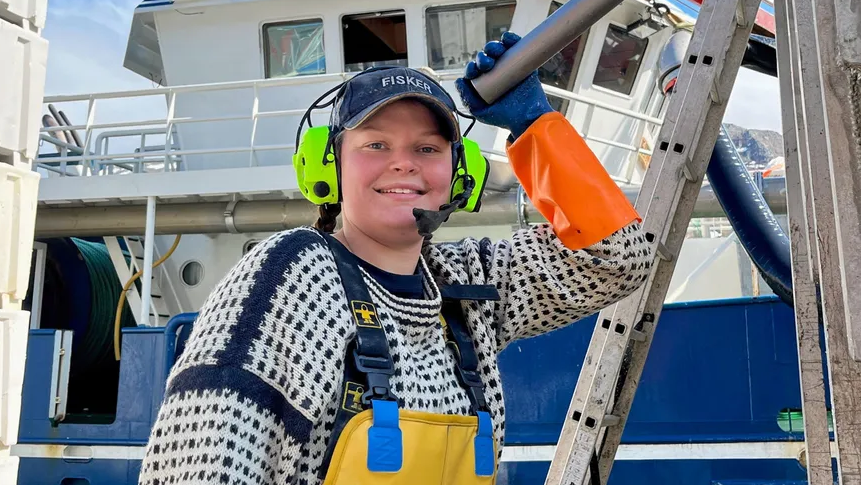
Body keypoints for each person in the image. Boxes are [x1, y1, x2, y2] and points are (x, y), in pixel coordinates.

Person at [138, 32, 654, 485]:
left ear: (460, 173)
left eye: (428, 149)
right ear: (331, 167)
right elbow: (205, 461)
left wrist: (535, 126)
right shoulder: (293, 273)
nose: (403, 163)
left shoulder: (465, 286)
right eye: (376, 144)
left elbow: (620, 259)